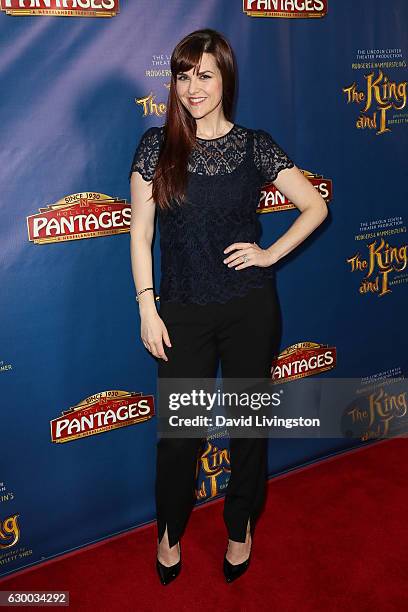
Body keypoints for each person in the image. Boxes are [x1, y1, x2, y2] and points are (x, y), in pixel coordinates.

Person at [129, 28, 328, 585]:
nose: (192, 87)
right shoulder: (156, 145)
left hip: (248, 309)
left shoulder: (255, 144)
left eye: (205, 74)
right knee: (179, 438)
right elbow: (140, 233)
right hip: (182, 313)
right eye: (183, 75)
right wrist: (148, 308)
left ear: (226, 79)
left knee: (248, 429)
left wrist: (268, 254)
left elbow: (314, 206)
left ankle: (240, 527)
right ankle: (168, 530)